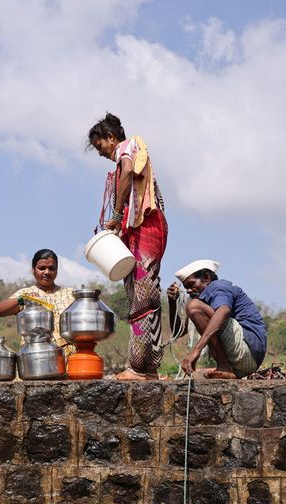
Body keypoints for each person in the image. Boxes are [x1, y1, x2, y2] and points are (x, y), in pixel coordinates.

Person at [88, 113, 167, 380]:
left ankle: (137, 367)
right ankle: (148, 368)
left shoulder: (128, 147)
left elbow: (126, 174)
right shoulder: (128, 152)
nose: (101, 154)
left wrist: (118, 215)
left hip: (147, 227)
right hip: (141, 229)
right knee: (141, 294)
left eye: (100, 146)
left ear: (111, 138)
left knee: (142, 297)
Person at [167, 260, 267, 379]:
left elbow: (223, 311)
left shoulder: (218, 287)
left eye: (191, 284)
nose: (188, 290)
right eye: (186, 287)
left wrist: (196, 350)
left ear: (207, 278)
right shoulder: (200, 300)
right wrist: (172, 303)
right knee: (193, 306)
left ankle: (223, 366)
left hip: (248, 351)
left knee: (194, 306)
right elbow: (179, 331)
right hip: (242, 361)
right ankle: (225, 368)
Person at [0, 249, 76, 351]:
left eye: (51, 268)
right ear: (33, 270)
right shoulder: (26, 294)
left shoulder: (70, 294)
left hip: (69, 357)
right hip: (35, 356)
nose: (47, 272)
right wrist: (22, 300)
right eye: (42, 268)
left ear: (57, 270)